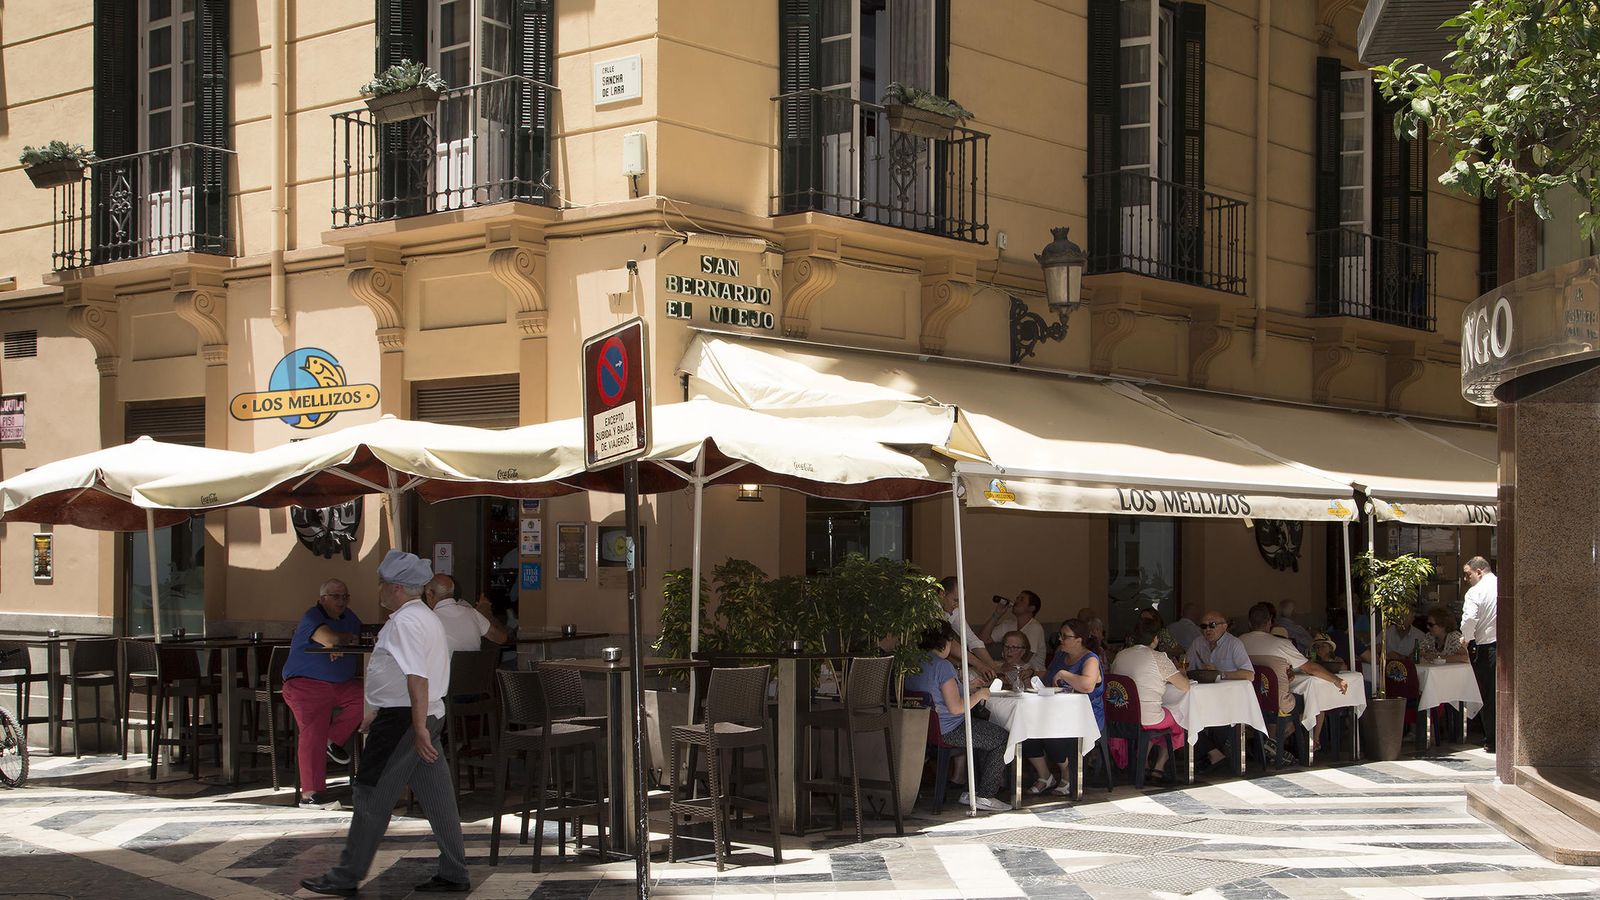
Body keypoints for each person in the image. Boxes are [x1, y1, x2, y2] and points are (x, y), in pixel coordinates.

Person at [301, 550, 469, 897]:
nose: (378, 589)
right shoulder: (424, 616)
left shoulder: (405, 622)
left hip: (405, 720)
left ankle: (346, 875)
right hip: (425, 713)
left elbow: (416, 677)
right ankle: (454, 871)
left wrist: (417, 727)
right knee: (438, 797)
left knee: (369, 793)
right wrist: (376, 709)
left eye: (382, 583)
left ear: (395, 588)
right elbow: (402, 674)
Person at [902, 622, 1011, 811]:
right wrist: (980, 694)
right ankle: (985, 795)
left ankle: (975, 790)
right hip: (950, 728)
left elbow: (937, 694)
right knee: (1002, 738)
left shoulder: (915, 662)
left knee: (988, 734)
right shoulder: (942, 666)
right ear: (946, 642)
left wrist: (966, 686)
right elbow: (956, 708)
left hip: (925, 728)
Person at [281, 578, 365, 807]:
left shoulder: (349, 617)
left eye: (345, 596)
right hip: (305, 685)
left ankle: (333, 738)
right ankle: (310, 793)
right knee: (312, 732)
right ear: (322, 598)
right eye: (335, 596)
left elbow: (357, 635)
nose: (341, 601)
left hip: (341, 685)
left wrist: (341, 643)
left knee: (368, 698)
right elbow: (331, 638)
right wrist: (340, 641)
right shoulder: (312, 616)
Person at [1239, 601, 1348, 754]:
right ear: (1270, 621)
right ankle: (1282, 744)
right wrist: (1336, 680)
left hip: (1253, 700)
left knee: (1276, 708)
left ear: (1249, 623)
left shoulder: (1240, 642)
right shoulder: (1280, 644)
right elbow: (1310, 667)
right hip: (1279, 702)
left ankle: (1270, 745)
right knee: (1313, 700)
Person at [1022, 618, 1105, 796]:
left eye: (1065, 636)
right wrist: (1033, 674)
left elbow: (1087, 685)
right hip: (1056, 713)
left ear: (1079, 639)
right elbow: (1048, 679)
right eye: (1060, 635)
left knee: (1052, 735)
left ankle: (1068, 774)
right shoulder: (1060, 655)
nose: (1060, 639)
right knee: (1024, 729)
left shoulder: (1091, 659)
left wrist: (1064, 674)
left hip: (1083, 718)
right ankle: (1045, 775)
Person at [1108, 625, 1190, 782]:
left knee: (1157, 719)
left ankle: (1143, 762)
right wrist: (1182, 673)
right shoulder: (1159, 657)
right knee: (1180, 718)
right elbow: (1184, 686)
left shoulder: (1121, 655)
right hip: (1147, 719)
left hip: (1122, 717)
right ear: (1156, 639)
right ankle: (1158, 767)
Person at [1460, 556, 1498, 752]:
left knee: (1489, 695)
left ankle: (1492, 740)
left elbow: (1469, 620)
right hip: (1507, 647)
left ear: (1479, 571)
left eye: (1468, 575)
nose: (1466, 579)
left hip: (1487, 647)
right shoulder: (1504, 585)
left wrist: (1465, 638)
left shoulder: (1475, 592)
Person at [423, 574, 508, 652]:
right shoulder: (473, 614)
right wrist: (486, 614)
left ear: (429, 593)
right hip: (474, 668)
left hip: (443, 668)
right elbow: (502, 638)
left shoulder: (426, 620)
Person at [938, 576, 998, 680]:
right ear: (942, 594)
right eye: (955, 600)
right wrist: (979, 665)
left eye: (960, 601)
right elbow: (946, 641)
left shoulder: (954, 610)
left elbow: (972, 640)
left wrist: (994, 667)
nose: (957, 605)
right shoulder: (929, 609)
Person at [980, 590, 1047, 670]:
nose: (1017, 601)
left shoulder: (1035, 627)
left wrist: (1000, 670)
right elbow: (983, 640)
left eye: (1021, 599)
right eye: (1017, 598)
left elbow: (1024, 658)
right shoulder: (1008, 624)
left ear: (1031, 608)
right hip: (1010, 670)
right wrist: (997, 614)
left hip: (1032, 674)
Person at [1186, 610, 1254, 681]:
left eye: (1212, 625)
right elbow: (1187, 668)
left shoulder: (1234, 643)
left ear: (1224, 627)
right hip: (1205, 689)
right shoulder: (1197, 643)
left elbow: (1249, 675)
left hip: (1229, 689)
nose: (1208, 629)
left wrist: (1220, 674)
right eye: (1204, 626)